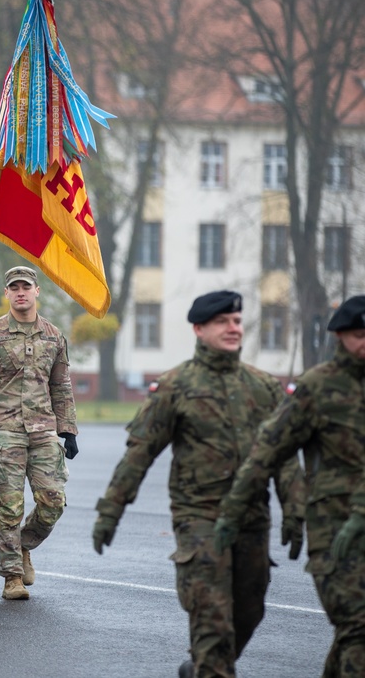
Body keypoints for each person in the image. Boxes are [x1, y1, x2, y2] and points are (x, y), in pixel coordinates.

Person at [93, 290, 305, 678]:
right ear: (199, 329)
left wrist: (295, 508)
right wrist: (110, 511)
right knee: (212, 622)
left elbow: (284, 455)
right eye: (223, 321)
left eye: (237, 321)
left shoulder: (264, 387)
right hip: (199, 520)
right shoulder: (176, 386)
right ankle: (210, 664)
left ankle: (204, 664)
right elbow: (139, 454)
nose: (233, 328)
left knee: (250, 609)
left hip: (252, 519)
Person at [214, 295, 365, 678]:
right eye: (360, 334)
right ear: (341, 336)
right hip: (336, 531)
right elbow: (267, 454)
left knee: (355, 635)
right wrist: (233, 513)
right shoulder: (318, 388)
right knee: (358, 627)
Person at [0, 266, 78, 600]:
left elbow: (61, 384)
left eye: (25, 287)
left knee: (53, 502)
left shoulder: (54, 336)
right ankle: (12, 575)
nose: (20, 292)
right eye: (14, 287)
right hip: (4, 430)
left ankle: (24, 545)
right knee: (9, 506)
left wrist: (68, 429)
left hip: (43, 430)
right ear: (7, 294)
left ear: (36, 291)